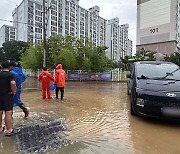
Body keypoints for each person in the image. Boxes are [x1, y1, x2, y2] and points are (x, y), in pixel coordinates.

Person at [0, 61, 16, 136]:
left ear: (1, 67)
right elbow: (13, 83)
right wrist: (13, 91)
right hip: (7, 95)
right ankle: (9, 130)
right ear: (10, 67)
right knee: (8, 112)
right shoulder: (11, 74)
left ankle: (0, 128)